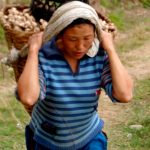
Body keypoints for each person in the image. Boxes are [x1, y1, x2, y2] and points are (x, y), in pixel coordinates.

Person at [17, 1, 133, 150]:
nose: (80, 46)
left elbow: (125, 95)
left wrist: (111, 50)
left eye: (87, 38)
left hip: (87, 137)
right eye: (73, 39)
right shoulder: (45, 57)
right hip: (48, 139)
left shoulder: (99, 57)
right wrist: (33, 51)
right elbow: (28, 97)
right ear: (59, 34)